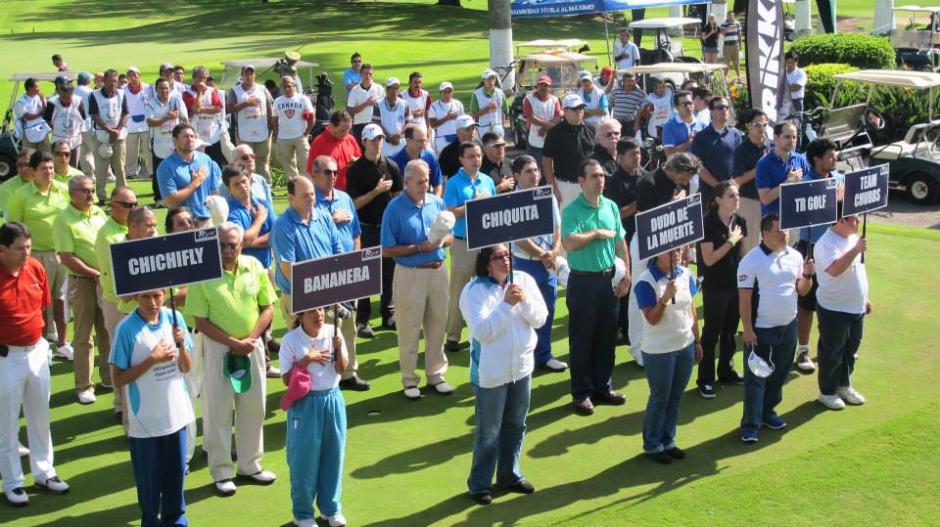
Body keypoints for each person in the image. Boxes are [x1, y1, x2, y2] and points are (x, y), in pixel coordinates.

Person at [185, 222, 277, 495]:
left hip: (252, 346)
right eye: (222, 245)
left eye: (232, 245)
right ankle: (222, 470)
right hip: (218, 349)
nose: (227, 250)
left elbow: (267, 307)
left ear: (241, 245)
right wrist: (232, 342)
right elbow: (200, 320)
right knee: (218, 411)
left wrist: (250, 339)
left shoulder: (253, 266)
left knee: (254, 407)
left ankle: (250, 464)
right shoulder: (203, 274)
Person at [460, 243, 547, 505]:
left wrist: (524, 301)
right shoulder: (472, 291)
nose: (506, 261)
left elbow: (540, 318)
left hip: (522, 367)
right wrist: (507, 304)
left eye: (508, 255)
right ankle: (479, 484)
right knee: (489, 431)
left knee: (516, 424)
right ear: (486, 262)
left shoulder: (525, 280)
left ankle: (509, 474)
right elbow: (483, 331)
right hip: (491, 372)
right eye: (499, 257)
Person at [109, 287, 194, 526]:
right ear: (136, 296)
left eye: (157, 295)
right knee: (149, 486)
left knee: (175, 481)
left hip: (176, 418)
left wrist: (181, 347)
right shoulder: (125, 329)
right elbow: (118, 378)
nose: (152, 302)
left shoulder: (175, 318)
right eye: (146, 296)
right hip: (145, 424)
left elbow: (187, 367)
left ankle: (176, 520)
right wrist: (153, 360)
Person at [0, 222, 71, 507]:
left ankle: (45, 472)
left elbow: (42, 305)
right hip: (6, 358)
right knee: (6, 425)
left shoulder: (35, 269)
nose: (27, 253)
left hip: (37, 352)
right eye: (20, 249)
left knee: (40, 417)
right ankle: (13, 482)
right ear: (2, 250)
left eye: (29, 247)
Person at [561, 159, 631, 415]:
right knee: (582, 340)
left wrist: (627, 275)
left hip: (608, 280)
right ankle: (581, 394)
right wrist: (597, 234)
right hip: (583, 281)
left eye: (601, 176)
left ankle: (603, 386)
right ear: (581, 181)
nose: (600, 180)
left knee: (606, 337)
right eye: (594, 176)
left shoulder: (611, 206)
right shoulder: (572, 210)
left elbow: (621, 243)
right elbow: (569, 242)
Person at [380, 159, 454, 400]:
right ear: (407, 181)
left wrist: (440, 239)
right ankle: (410, 379)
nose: (425, 185)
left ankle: (436, 374)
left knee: (437, 324)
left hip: (438, 271)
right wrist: (419, 247)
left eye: (427, 180)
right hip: (410, 274)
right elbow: (387, 249)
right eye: (420, 181)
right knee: (409, 328)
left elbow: (450, 237)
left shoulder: (437, 203)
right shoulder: (394, 208)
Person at [737, 214, 814, 442]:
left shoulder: (796, 256)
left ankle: (767, 412)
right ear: (765, 233)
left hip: (788, 326)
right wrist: (748, 329)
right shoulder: (751, 261)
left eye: (786, 230)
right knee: (756, 379)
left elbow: (802, 291)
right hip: (761, 329)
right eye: (779, 230)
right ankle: (750, 425)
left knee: (779, 374)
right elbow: (744, 299)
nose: (785, 234)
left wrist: (808, 275)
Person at [279, 306, 349, 527]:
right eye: (311, 312)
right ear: (300, 316)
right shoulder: (290, 340)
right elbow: (285, 379)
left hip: (333, 399)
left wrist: (339, 350)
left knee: (334, 455)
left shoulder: (333, 332)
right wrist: (305, 361)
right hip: (305, 403)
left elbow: (341, 368)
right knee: (304, 460)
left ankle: (331, 508)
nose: (318, 314)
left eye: (320, 309)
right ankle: (302, 514)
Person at [633, 247, 701, 463]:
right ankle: (653, 445)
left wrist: (697, 340)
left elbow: (692, 309)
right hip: (659, 351)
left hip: (685, 345)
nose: (676, 254)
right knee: (660, 398)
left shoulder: (686, 274)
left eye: (679, 250)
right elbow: (652, 319)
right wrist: (664, 299)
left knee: (676, 397)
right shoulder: (646, 281)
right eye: (671, 251)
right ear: (658, 253)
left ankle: (668, 440)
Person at [630, 153, 699, 366]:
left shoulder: (681, 185)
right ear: (674, 170)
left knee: (671, 292)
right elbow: (643, 219)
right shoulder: (648, 182)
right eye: (683, 178)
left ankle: (669, 340)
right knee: (640, 292)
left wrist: (685, 248)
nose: (685, 183)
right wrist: (672, 203)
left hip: (673, 245)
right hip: (645, 243)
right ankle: (638, 348)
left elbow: (684, 216)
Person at [309, 155, 369, 392]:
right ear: (314, 174)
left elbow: (356, 234)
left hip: (347, 271)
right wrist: (330, 221)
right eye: (327, 172)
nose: (332, 177)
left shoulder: (344, 198)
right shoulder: (311, 201)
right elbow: (309, 232)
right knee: (323, 327)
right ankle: (323, 375)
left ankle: (349, 372)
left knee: (348, 326)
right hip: (323, 273)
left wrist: (356, 260)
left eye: (335, 172)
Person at [7, 151, 73, 360]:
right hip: (35, 256)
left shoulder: (64, 190)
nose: (49, 172)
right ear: (33, 171)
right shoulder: (21, 195)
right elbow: (14, 228)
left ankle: (63, 343)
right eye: (44, 169)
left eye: (51, 168)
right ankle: (42, 346)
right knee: (39, 303)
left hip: (61, 254)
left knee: (61, 301)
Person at [53, 175, 110, 404]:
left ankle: (108, 377)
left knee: (106, 331)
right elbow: (66, 257)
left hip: (104, 280)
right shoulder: (63, 219)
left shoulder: (98, 212)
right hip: (82, 281)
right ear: (72, 193)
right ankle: (84, 386)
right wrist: (94, 274)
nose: (90, 194)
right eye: (85, 190)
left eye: (92, 190)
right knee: (84, 335)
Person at [510, 156, 567, 372]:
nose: (535, 174)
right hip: (525, 264)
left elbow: (557, 227)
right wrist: (545, 254)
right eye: (528, 171)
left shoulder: (547, 196)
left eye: (536, 170)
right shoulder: (513, 201)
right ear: (517, 176)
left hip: (547, 263)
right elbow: (519, 238)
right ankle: (526, 358)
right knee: (524, 312)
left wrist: (554, 251)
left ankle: (544, 355)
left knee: (547, 310)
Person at [795, 138, 846, 374]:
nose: (834, 158)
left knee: (834, 300)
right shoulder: (806, 185)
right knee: (807, 304)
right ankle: (802, 349)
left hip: (837, 247)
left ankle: (831, 346)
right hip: (811, 248)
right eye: (830, 155)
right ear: (817, 160)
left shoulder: (839, 180)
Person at [346, 124, 403, 336]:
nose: (377, 143)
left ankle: (389, 313)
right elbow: (354, 204)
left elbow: (398, 195)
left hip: (388, 229)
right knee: (365, 275)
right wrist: (376, 191)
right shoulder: (356, 170)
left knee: (389, 272)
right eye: (373, 139)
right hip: (366, 228)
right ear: (364, 142)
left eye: (379, 138)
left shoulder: (391, 166)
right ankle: (362, 319)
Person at [814, 212, 870, 411]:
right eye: (854, 218)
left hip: (856, 306)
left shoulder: (854, 238)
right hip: (834, 307)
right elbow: (835, 269)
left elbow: (860, 270)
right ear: (840, 220)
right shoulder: (825, 243)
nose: (858, 221)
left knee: (851, 350)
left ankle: (843, 385)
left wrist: (865, 298)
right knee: (832, 351)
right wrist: (856, 250)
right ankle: (827, 392)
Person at [444, 142, 497, 353]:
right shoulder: (454, 183)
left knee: (487, 288)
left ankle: (484, 332)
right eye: (471, 156)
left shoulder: (488, 181)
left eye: (478, 156)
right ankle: (453, 336)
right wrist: (472, 204)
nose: (476, 160)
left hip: (485, 242)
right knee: (459, 289)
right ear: (461, 160)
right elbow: (450, 212)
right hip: (463, 242)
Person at [696, 181, 747, 398]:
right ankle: (705, 379)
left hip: (735, 284)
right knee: (711, 333)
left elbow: (743, 254)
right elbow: (708, 259)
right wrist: (731, 241)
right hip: (715, 286)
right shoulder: (707, 223)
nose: (736, 199)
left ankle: (726, 370)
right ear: (718, 200)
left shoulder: (740, 221)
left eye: (737, 195)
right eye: (731, 196)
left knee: (730, 331)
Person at [271, 176, 344, 327]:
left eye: (312, 194)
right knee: (306, 348)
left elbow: (338, 252)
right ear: (291, 198)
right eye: (305, 195)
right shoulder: (283, 226)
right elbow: (288, 270)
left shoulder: (323, 216)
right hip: (299, 298)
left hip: (328, 292)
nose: (311, 199)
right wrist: (319, 289)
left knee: (336, 343)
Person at [95, 186, 138, 426]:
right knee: (119, 353)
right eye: (127, 205)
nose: (132, 209)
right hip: (116, 301)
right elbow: (115, 275)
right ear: (114, 205)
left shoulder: (134, 228)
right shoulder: (108, 234)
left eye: (134, 204)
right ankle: (121, 405)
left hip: (136, 300)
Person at [605, 138, 646, 344]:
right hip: (624, 239)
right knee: (625, 282)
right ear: (620, 157)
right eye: (632, 154)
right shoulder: (614, 182)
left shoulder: (646, 177)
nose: (637, 157)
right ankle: (624, 326)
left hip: (646, 238)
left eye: (639, 153)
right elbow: (615, 215)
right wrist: (637, 205)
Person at [157, 124, 222, 226]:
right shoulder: (166, 167)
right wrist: (195, 183)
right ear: (175, 141)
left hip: (207, 221)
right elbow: (170, 201)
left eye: (192, 136)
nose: (190, 139)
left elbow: (215, 191)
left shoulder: (206, 160)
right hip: (182, 224)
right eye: (185, 136)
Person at [542, 94, 596, 210]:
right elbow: (546, 162)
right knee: (566, 224)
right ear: (565, 111)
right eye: (574, 109)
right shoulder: (554, 133)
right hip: (565, 186)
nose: (579, 111)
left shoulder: (591, 128)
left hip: (589, 183)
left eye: (581, 108)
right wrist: (553, 188)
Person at [691, 96, 742, 205]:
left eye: (726, 107)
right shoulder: (701, 137)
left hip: (732, 193)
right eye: (720, 107)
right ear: (712, 112)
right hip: (710, 195)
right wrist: (719, 187)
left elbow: (740, 163)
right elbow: (699, 167)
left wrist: (732, 186)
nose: (724, 110)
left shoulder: (736, 135)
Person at [88, 69, 130, 204]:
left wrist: (117, 130)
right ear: (104, 81)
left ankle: (122, 195)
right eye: (110, 81)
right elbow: (94, 115)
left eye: (115, 81)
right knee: (101, 169)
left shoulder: (122, 94)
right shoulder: (94, 95)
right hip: (101, 136)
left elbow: (126, 113)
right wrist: (108, 130)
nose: (113, 84)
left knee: (120, 167)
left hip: (119, 136)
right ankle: (101, 196)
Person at [146, 77, 189, 206]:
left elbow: (185, 118)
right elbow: (150, 122)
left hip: (175, 142)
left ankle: (180, 194)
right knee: (159, 170)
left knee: (178, 168)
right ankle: (159, 198)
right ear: (156, 90)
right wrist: (167, 118)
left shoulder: (176, 100)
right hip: (159, 141)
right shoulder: (150, 104)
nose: (164, 90)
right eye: (161, 88)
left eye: (166, 88)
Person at [731, 108, 769, 253]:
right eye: (757, 124)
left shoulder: (769, 145)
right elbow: (737, 181)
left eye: (764, 124)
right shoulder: (742, 150)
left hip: (768, 201)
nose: (761, 128)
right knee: (749, 246)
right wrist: (759, 168)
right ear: (748, 126)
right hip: (749, 201)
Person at [228, 65, 274, 181]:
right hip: (244, 132)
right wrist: (247, 103)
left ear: (254, 75)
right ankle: (246, 182)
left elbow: (269, 106)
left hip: (262, 130)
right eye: (246, 74)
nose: (249, 76)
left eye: (251, 74)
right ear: (242, 76)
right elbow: (230, 108)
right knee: (244, 160)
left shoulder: (262, 89)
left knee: (262, 160)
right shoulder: (235, 91)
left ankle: (266, 184)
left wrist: (271, 123)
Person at [223, 165, 274, 270]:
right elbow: (243, 241)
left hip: (267, 269)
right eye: (236, 184)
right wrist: (259, 219)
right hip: (245, 272)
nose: (242, 186)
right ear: (229, 189)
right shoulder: (230, 212)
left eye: (244, 181)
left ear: (250, 181)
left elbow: (278, 233)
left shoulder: (262, 203)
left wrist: (250, 242)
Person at [756, 122, 810, 217]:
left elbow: (810, 186)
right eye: (787, 137)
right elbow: (765, 199)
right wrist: (787, 183)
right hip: (774, 221)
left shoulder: (800, 159)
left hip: (797, 216)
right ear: (776, 138)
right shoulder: (764, 164)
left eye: (794, 137)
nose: (792, 140)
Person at [181, 66, 226, 168]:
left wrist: (201, 110)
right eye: (200, 78)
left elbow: (218, 108)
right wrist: (200, 92)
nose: (202, 80)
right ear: (194, 78)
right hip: (197, 134)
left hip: (212, 133)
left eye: (204, 78)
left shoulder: (212, 91)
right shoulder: (187, 93)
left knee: (215, 164)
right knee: (199, 165)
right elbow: (195, 109)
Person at [308, 111, 362, 191]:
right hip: (329, 192)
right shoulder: (318, 142)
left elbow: (360, 160)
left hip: (351, 190)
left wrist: (356, 162)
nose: (346, 134)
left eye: (348, 130)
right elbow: (311, 171)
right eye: (342, 130)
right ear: (332, 126)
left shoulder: (350, 139)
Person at [273, 76, 314, 178]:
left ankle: (307, 187)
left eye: (289, 86)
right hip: (283, 137)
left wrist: (307, 132)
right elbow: (274, 118)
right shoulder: (277, 101)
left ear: (294, 86)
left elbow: (312, 117)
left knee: (306, 163)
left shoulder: (303, 99)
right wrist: (276, 133)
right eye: (284, 87)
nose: (287, 89)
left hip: (300, 136)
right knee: (289, 167)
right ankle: (294, 188)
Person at [391, 125, 443, 196]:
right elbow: (393, 192)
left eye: (425, 140)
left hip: (426, 203)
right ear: (408, 140)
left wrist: (434, 204)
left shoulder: (430, 157)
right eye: (420, 141)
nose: (424, 145)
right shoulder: (394, 162)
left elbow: (438, 184)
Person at [521, 75, 561, 166]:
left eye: (545, 85)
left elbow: (557, 117)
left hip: (551, 138)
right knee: (535, 165)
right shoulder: (529, 99)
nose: (543, 87)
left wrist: (545, 128)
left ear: (549, 87)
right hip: (534, 138)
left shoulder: (555, 100)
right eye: (541, 85)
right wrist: (547, 125)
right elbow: (529, 117)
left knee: (551, 165)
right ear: (537, 86)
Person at [44, 84, 85, 168]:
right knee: (59, 165)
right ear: (59, 93)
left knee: (74, 166)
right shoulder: (52, 103)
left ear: (72, 94)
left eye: (68, 97)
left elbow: (83, 118)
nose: (65, 100)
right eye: (63, 97)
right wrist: (56, 129)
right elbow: (47, 120)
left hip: (75, 140)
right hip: (58, 139)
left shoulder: (78, 101)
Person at [123, 66, 152, 183]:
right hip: (130, 125)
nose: (132, 77)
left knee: (148, 150)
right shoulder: (123, 90)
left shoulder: (148, 88)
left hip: (146, 124)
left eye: (134, 75)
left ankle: (151, 172)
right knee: (131, 151)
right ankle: (131, 173)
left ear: (139, 75)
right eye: (130, 75)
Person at [346, 64, 384, 144]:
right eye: (365, 73)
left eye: (370, 74)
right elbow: (350, 110)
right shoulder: (354, 90)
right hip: (359, 126)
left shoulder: (379, 88)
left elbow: (384, 107)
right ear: (361, 74)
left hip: (376, 125)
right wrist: (366, 104)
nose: (368, 76)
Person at [661, 90, 705, 159]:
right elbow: (669, 154)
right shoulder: (669, 126)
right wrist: (690, 141)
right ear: (677, 108)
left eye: (690, 103)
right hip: (679, 168)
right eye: (685, 104)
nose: (688, 106)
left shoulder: (702, 125)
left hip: (699, 168)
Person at [376, 78, 411, 158]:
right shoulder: (378, 104)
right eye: (392, 88)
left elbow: (409, 123)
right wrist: (389, 137)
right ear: (387, 90)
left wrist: (399, 134)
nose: (395, 91)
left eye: (397, 88)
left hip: (401, 141)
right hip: (385, 143)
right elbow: (376, 123)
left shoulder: (404, 104)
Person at [14, 78, 49, 152]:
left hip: (42, 131)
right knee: (29, 157)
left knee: (46, 154)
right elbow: (27, 116)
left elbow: (46, 111)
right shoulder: (20, 102)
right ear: (30, 88)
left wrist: (43, 100)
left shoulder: (39, 97)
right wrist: (40, 114)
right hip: (28, 134)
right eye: (37, 86)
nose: (39, 88)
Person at [429, 82, 465, 154]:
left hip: (457, 137)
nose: (447, 94)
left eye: (449, 91)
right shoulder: (434, 106)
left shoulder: (458, 104)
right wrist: (447, 118)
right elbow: (432, 125)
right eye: (444, 92)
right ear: (440, 93)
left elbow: (463, 122)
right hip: (441, 139)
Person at [470, 69, 507, 138]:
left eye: (492, 78)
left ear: (495, 79)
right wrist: (487, 109)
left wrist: (502, 127)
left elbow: (503, 112)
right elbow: (472, 115)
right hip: (484, 129)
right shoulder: (476, 94)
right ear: (483, 80)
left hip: (498, 127)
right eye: (488, 79)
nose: (490, 81)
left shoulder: (501, 93)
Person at [439, 115, 478, 180]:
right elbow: (442, 177)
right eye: (467, 129)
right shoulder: (448, 152)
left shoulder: (479, 145)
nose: (472, 132)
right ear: (458, 131)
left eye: (473, 128)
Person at [74, 71, 97, 178]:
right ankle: (107, 174)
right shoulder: (90, 92)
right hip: (88, 124)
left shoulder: (72, 91)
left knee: (84, 153)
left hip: (75, 127)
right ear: (88, 81)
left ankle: (89, 174)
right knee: (96, 150)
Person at [610, 72, 647, 136]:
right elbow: (610, 105)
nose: (630, 83)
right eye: (627, 81)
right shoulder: (615, 91)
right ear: (623, 81)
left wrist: (637, 123)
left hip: (631, 124)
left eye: (632, 81)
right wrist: (609, 120)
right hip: (616, 122)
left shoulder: (640, 93)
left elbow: (642, 110)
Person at [0, 149, 34, 216]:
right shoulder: (6, 188)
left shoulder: (48, 182)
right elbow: (5, 216)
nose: (23, 169)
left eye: (27, 164)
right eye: (20, 165)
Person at [783, 51, 807, 118]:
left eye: (792, 62)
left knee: (797, 125)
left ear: (796, 62)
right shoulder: (782, 72)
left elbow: (796, 88)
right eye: (788, 62)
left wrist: (783, 88)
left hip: (797, 103)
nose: (790, 64)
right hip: (784, 103)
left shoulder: (801, 73)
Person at [720, 11, 743, 79]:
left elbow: (739, 34)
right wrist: (729, 27)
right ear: (727, 16)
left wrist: (740, 45)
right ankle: (724, 78)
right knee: (727, 63)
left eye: (732, 16)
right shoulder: (723, 24)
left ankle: (739, 77)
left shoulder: (737, 23)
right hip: (727, 46)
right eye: (729, 16)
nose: (730, 17)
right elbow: (722, 33)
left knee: (736, 63)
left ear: (734, 16)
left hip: (735, 45)